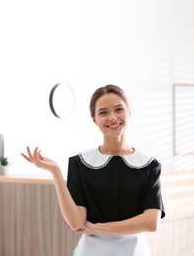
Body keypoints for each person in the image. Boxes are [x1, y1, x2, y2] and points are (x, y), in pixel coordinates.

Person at [21, 84, 165, 256]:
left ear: (129, 113)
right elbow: (76, 222)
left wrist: (97, 228)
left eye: (119, 109)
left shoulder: (149, 164)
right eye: (103, 112)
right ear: (95, 119)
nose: (112, 117)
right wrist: (56, 173)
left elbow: (150, 222)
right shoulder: (80, 163)